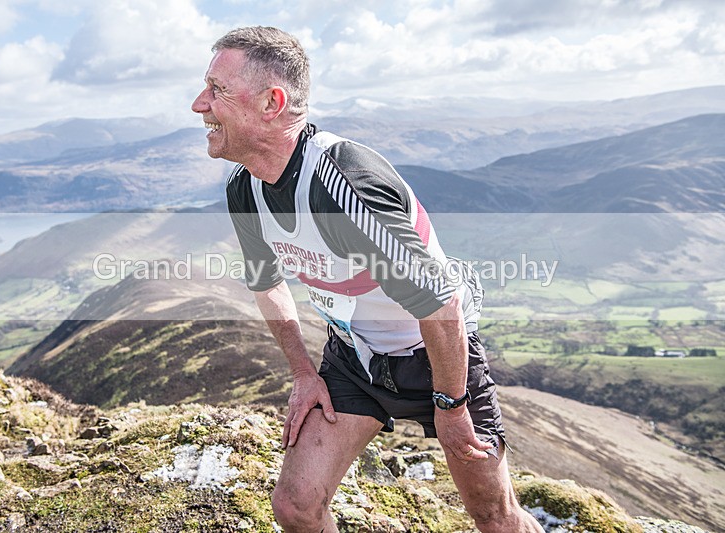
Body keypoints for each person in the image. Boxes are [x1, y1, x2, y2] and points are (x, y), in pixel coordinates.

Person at [191, 26, 544, 533]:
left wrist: (450, 405)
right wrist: (302, 373)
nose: (199, 104)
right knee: (295, 506)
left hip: (436, 362)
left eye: (217, 90)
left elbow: (441, 305)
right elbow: (266, 282)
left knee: (493, 515)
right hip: (353, 360)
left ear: (272, 102)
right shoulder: (244, 187)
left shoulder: (340, 187)